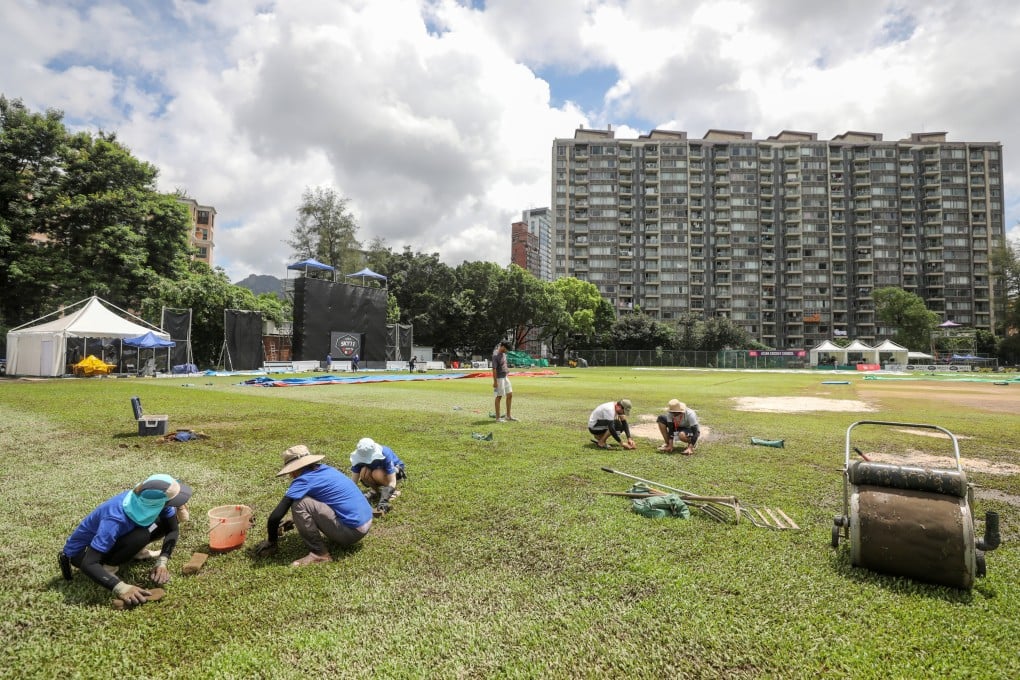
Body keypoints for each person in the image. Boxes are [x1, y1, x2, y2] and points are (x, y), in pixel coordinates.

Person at [60, 474, 193, 606]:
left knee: (161, 524)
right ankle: (107, 568)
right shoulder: (114, 519)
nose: (178, 505)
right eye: (173, 502)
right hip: (83, 554)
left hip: (112, 540)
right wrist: (121, 587)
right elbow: (88, 563)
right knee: (141, 535)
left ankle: (134, 552)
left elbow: (172, 529)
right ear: (155, 504)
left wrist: (162, 562)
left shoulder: (149, 501)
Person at [253, 445, 372, 567]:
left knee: (299, 503)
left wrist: (271, 541)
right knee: (306, 499)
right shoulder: (326, 469)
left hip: (352, 532)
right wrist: (297, 520)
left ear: (293, 471)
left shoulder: (303, 480)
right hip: (365, 522)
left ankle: (319, 554)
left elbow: (275, 516)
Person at [349, 437, 406, 515]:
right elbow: (353, 481)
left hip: (395, 474)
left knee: (377, 473)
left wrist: (384, 502)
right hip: (376, 472)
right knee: (364, 472)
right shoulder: (359, 456)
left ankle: (394, 491)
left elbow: (392, 480)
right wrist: (348, 497)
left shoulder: (385, 453)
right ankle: (375, 491)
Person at [492, 340, 516, 421]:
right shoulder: (495, 355)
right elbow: (494, 369)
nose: (507, 351)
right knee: (499, 397)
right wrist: (495, 382)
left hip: (505, 377)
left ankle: (508, 416)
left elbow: (503, 364)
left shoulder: (504, 354)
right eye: (506, 349)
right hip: (499, 378)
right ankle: (498, 418)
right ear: (502, 347)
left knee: (510, 395)